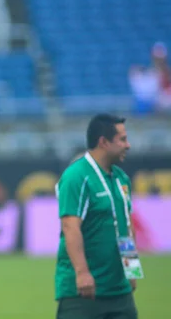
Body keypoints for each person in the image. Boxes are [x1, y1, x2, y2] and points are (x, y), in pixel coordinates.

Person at [55, 114, 140, 319]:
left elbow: (126, 226)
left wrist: (132, 269)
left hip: (120, 293)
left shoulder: (121, 178)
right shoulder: (76, 176)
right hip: (83, 293)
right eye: (122, 139)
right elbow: (70, 226)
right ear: (103, 142)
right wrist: (82, 273)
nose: (128, 145)